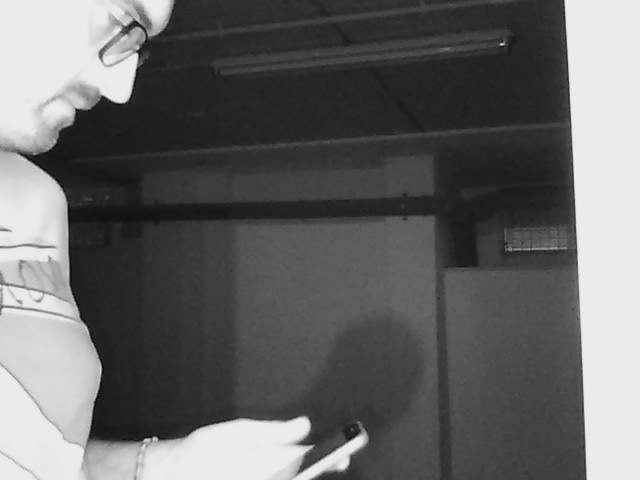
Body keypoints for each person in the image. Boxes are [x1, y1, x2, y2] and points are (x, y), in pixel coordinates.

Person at [0, 1, 348, 479]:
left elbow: (37, 457)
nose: (121, 89)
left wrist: (167, 466)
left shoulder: (35, 204)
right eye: (122, 22)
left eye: (138, 47)